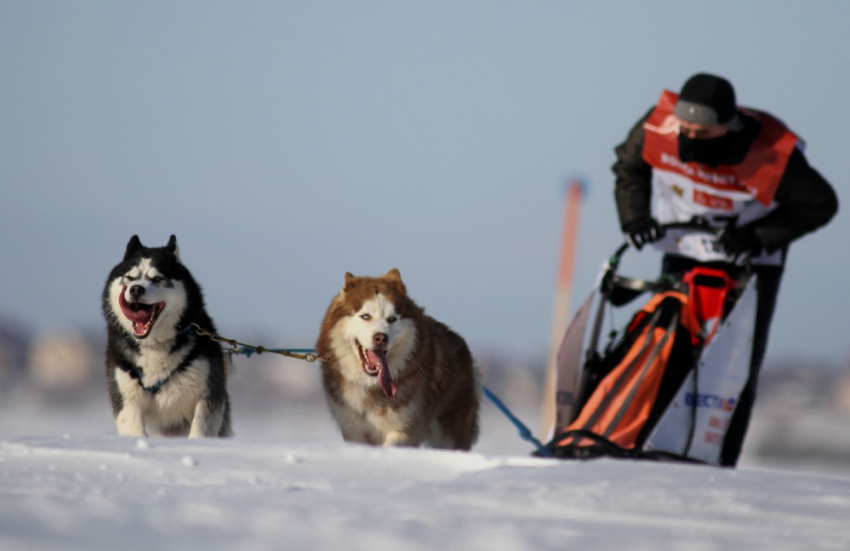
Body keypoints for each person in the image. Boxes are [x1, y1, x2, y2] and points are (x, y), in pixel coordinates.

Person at [611, 72, 838, 467]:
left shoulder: (773, 154)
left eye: (703, 133)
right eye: (686, 130)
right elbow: (628, 168)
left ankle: (718, 463)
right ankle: (650, 449)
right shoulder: (656, 125)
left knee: (734, 368)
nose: (690, 139)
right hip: (683, 251)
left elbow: (821, 205)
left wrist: (754, 237)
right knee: (667, 349)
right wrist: (635, 218)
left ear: (728, 127)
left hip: (751, 265)